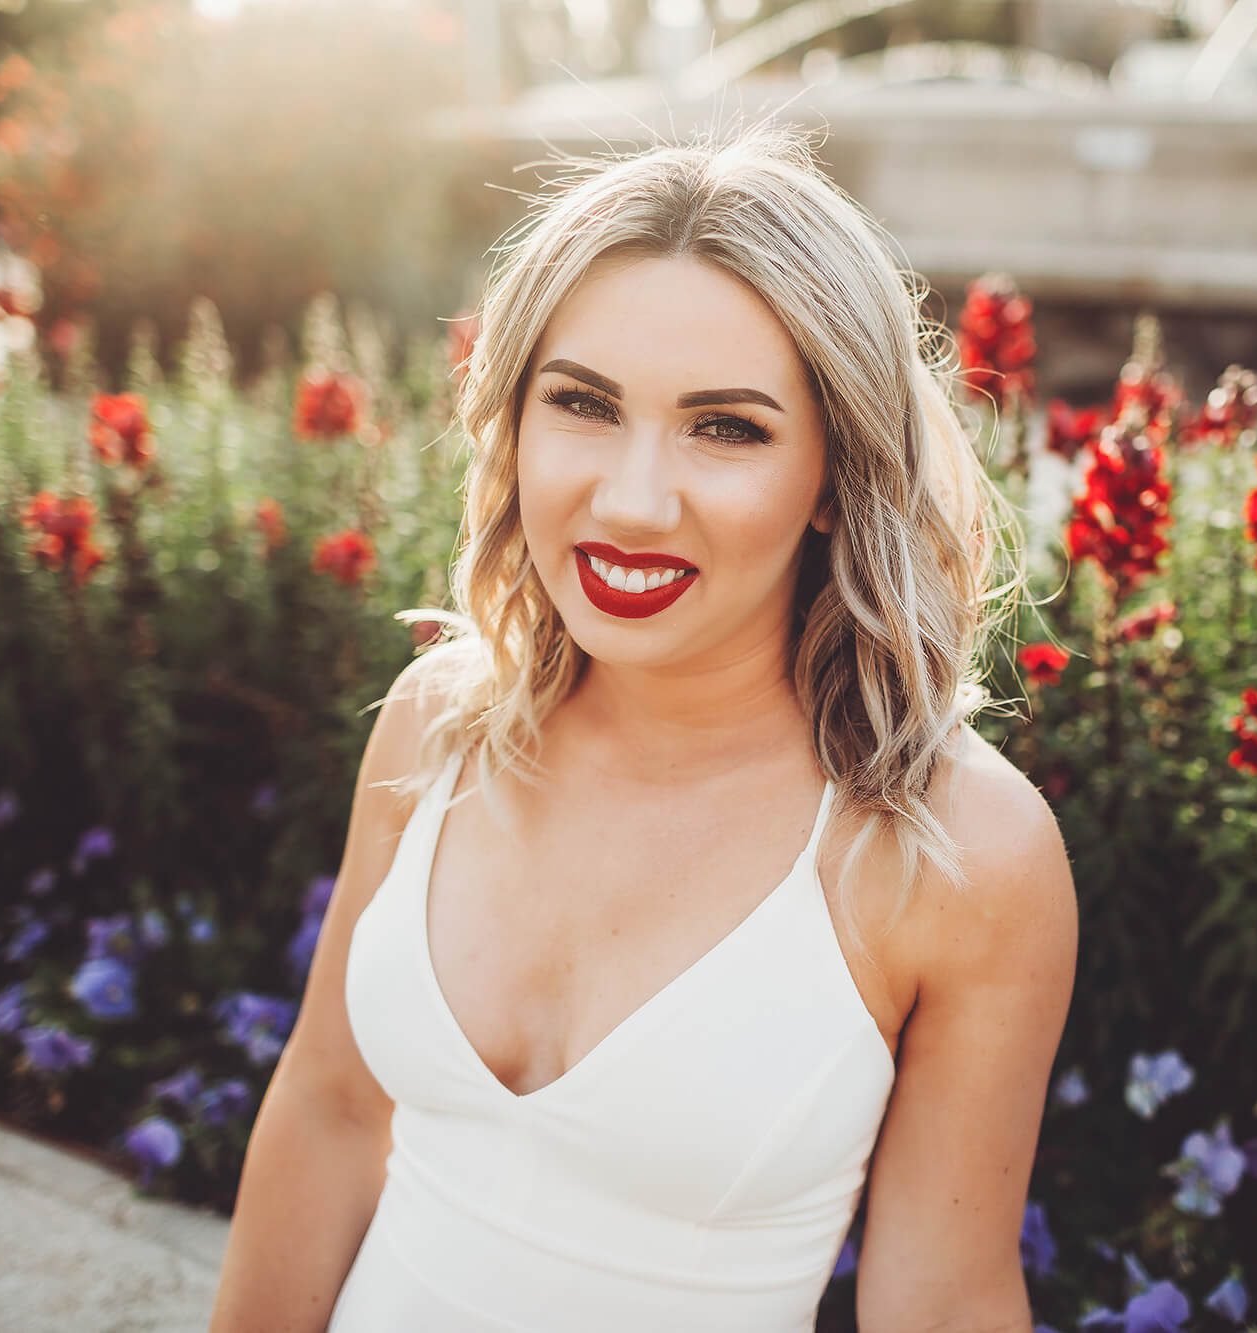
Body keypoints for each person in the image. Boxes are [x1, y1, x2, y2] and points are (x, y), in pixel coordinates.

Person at [209, 122, 1079, 1332]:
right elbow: (332, 1109)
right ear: (511, 420)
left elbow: (941, 1300)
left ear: (835, 473)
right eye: (583, 404)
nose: (630, 501)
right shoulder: (436, 723)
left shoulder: (956, 848)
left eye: (726, 427)